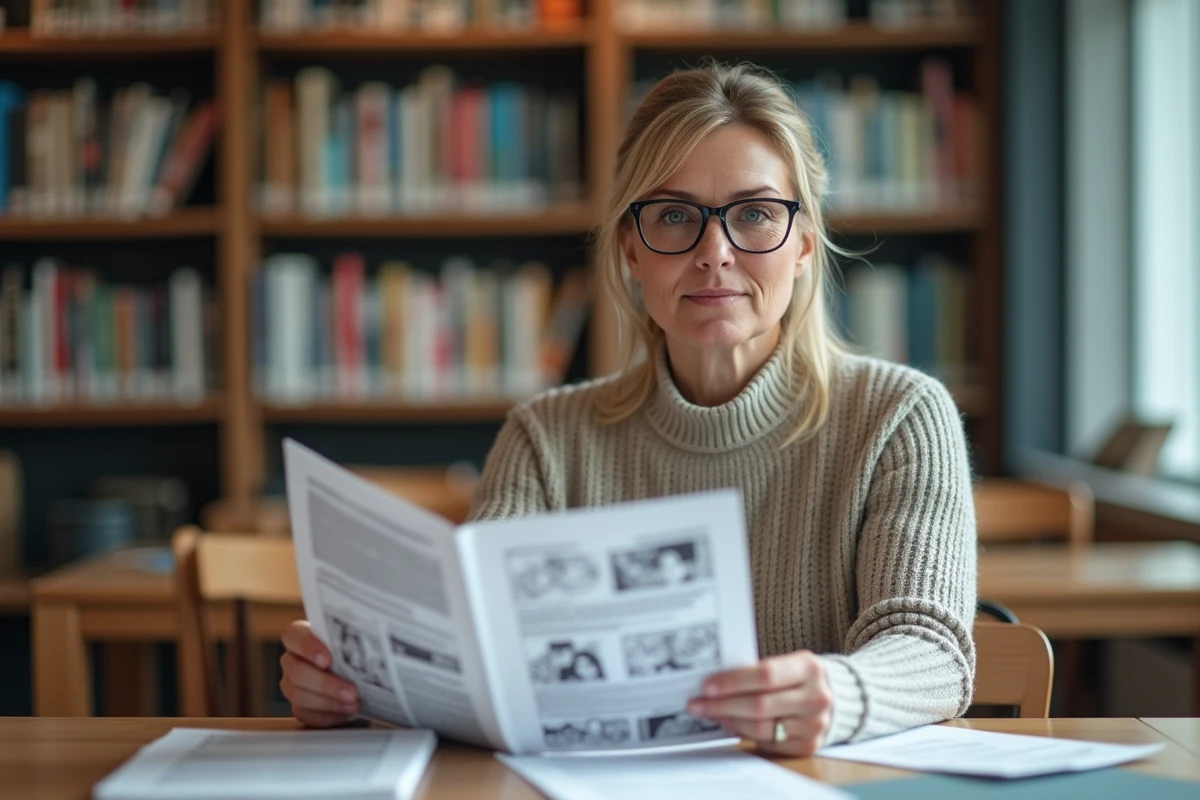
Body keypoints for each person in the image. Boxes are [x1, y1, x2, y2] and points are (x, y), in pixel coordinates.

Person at [280, 62, 977, 757]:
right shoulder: (546, 438)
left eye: (756, 214)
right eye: (673, 216)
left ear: (801, 242)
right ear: (630, 250)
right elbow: (477, 658)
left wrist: (841, 691)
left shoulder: (901, 416)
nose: (715, 253)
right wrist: (355, 686)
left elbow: (933, 650)